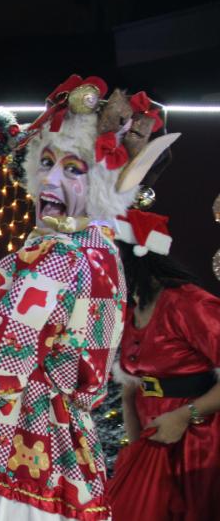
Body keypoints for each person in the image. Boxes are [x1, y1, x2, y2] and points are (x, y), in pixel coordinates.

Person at [0, 76, 179, 520]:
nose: (49, 179)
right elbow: (39, 315)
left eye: (74, 168)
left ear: (99, 181)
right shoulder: (99, 249)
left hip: (18, 448)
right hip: (66, 449)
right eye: (48, 161)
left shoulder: (54, 256)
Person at [112, 209, 220, 521]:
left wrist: (185, 416)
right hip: (153, 444)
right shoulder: (132, 309)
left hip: (200, 448)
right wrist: (136, 449)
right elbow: (131, 389)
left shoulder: (189, 304)